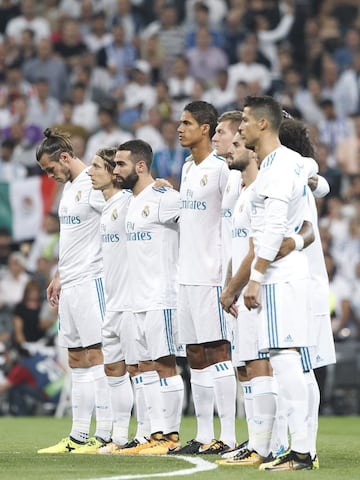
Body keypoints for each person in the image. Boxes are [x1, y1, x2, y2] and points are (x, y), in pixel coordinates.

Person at [232, 96, 313, 471]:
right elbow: (313, 173)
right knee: (285, 361)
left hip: (279, 278)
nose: (241, 127)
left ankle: (301, 452)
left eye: (245, 121)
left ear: (263, 125)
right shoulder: (287, 164)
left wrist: (256, 278)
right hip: (285, 274)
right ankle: (296, 448)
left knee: (284, 361)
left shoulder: (278, 168)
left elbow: (274, 225)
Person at [36, 127, 112, 454]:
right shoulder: (69, 189)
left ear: (65, 158)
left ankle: (107, 435)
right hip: (71, 283)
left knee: (99, 356)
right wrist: (58, 274)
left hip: (93, 280)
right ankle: (79, 436)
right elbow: (72, 238)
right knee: (76, 358)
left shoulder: (93, 184)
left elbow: (118, 211)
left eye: (51, 168)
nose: (50, 175)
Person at [113, 139, 184, 455]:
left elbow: (198, 226)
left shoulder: (165, 198)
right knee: (146, 367)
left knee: (165, 365)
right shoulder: (130, 201)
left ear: (140, 166)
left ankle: (170, 436)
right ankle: (154, 435)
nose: (116, 170)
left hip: (161, 297)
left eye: (121, 164)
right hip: (137, 300)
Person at [174, 101, 237, 455]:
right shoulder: (186, 168)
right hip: (186, 275)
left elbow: (227, 222)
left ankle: (226, 435)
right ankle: (202, 434)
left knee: (218, 351)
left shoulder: (221, 169)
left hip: (212, 275)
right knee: (194, 353)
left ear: (206, 128)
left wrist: (228, 278)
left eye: (187, 123)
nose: (180, 129)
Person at [87, 147, 149, 454]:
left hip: (131, 303)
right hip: (111, 303)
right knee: (113, 370)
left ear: (113, 171)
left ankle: (146, 433)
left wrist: (158, 184)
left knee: (138, 370)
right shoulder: (107, 206)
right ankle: (120, 436)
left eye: (96, 166)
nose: (90, 172)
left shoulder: (128, 203)